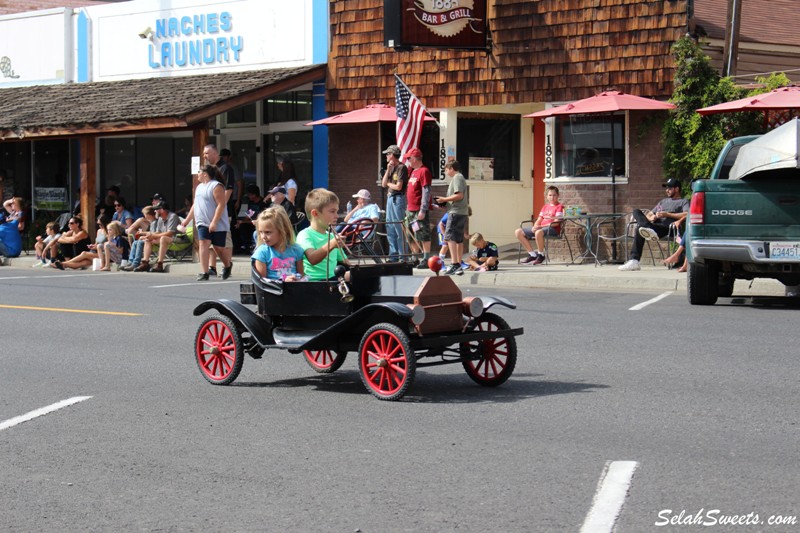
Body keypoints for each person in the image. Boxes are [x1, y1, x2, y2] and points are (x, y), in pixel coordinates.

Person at [619, 177, 690, 271]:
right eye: (666, 188)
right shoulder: (663, 202)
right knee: (636, 211)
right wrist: (653, 217)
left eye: (670, 188)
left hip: (669, 228)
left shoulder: (683, 201)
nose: (667, 190)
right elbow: (649, 214)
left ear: (677, 189)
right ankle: (634, 261)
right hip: (656, 226)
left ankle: (634, 259)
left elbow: (687, 214)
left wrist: (667, 214)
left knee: (639, 228)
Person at [182, 165, 234, 281]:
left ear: (205, 174)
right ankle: (204, 272)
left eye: (199, 172)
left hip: (218, 223)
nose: (198, 174)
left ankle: (227, 265)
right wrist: (186, 220)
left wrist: (214, 222)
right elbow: (195, 205)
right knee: (203, 243)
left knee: (218, 248)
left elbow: (221, 204)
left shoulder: (216, 186)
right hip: (202, 222)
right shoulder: (199, 187)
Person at [296, 188, 348, 281]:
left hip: (333, 281)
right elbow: (312, 259)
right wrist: (332, 244)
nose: (336, 216)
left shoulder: (332, 236)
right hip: (313, 283)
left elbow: (346, 262)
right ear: (315, 213)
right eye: (332, 211)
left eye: (337, 211)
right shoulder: (305, 235)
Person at [203, 144, 235, 274]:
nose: (205, 156)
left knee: (225, 238)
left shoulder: (225, 168)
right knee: (210, 239)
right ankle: (212, 267)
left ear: (215, 154)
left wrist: (220, 208)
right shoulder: (210, 169)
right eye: (204, 153)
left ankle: (227, 266)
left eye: (207, 153)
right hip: (211, 210)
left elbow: (228, 189)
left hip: (223, 210)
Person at [251, 206, 306, 281]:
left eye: (268, 232)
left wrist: (297, 278)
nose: (263, 236)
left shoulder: (296, 250)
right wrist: (283, 281)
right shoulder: (262, 252)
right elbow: (261, 283)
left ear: (283, 230)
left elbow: (301, 276)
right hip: (272, 291)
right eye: (260, 232)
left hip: (293, 290)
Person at [435, 160, 469, 276]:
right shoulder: (459, 178)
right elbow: (457, 198)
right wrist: (445, 204)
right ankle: (458, 265)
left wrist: (444, 199)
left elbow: (459, 195)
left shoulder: (457, 178)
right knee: (458, 239)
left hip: (456, 213)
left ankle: (455, 264)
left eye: (446, 169)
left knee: (449, 238)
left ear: (451, 168)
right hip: (459, 211)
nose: (446, 172)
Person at [516, 185, 564, 265]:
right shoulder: (545, 207)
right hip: (541, 228)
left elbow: (556, 223)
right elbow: (540, 218)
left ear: (558, 195)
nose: (552, 197)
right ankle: (532, 254)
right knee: (518, 232)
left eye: (554, 195)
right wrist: (535, 226)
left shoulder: (559, 207)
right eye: (550, 195)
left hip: (552, 229)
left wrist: (540, 227)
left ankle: (541, 255)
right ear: (547, 196)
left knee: (538, 232)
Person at [403, 147, 433, 268]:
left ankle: (426, 258)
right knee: (411, 234)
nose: (408, 160)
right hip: (410, 209)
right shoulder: (413, 171)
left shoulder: (424, 171)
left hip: (418, 210)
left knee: (423, 234)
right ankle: (414, 257)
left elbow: (426, 191)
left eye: (409, 158)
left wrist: (423, 209)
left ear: (415, 158)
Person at [381, 144, 408, 262]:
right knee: (390, 226)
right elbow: (383, 183)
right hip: (390, 198)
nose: (386, 156)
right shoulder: (391, 168)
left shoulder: (402, 168)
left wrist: (388, 184)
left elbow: (398, 186)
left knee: (398, 227)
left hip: (398, 199)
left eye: (387, 154)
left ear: (392, 155)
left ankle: (403, 256)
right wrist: (388, 170)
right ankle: (393, 255)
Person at [134, 201, 180, 273]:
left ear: (162, 210)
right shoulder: (160, 218)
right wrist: (149, 236)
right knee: (148, 240)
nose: (155, 211)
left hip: (177, 238)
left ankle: (160, 264)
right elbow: (158, 232)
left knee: (163, 238)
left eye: (156, 209)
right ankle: (145, 263)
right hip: (166, 238)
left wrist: (154, 235)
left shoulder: (172, 216)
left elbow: (170, 233)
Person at [122, 206, 157, 271]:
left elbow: (153, 233)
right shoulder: (151, 222)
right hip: (149, 238)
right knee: (135, 242)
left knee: (140, 242)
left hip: (153, 240)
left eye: (145, 215)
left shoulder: (155, 222)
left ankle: (135, 263)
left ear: (149, 214)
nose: (145, 216)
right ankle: (131, 261)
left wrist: (142, 233)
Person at [236, 184, 268, 253]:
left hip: (259, 223)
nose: (248, 196)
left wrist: (247, 217)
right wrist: (241, 220)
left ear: (254, 195)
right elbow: (244, 214)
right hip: (248, 222)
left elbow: (259, 217)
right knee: (240, 226)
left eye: (250, 194)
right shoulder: (249, 202)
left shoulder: (262, 204)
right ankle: (244, 246)